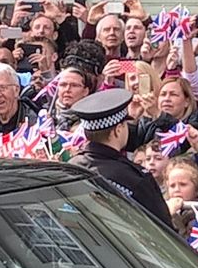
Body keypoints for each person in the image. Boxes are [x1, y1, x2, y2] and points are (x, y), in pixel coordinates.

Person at [68, 88, 173, 226]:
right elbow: (163, 229)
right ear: (118, 130)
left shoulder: (71, 167)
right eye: (125, 125)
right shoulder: (134, 179)